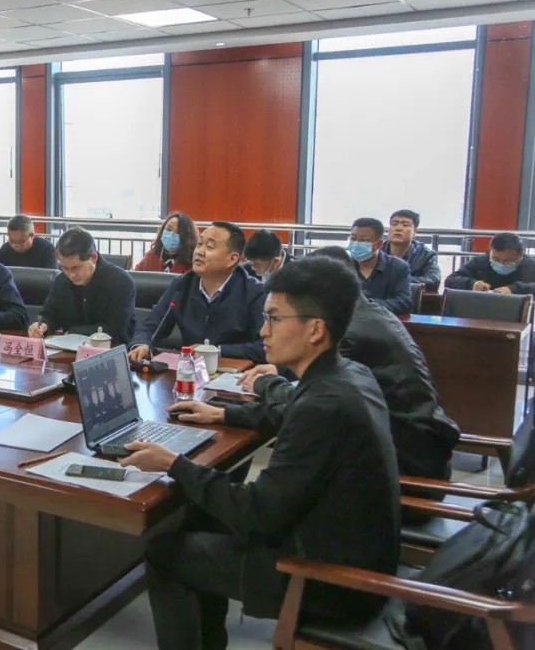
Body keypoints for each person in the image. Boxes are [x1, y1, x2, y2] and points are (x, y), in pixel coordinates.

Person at [122, 257, 400, 650]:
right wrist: (223, 413)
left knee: (164, 552)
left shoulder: (323, 405)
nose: (262, 330)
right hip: (345, 547)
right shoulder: (349, 375)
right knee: (201, 516)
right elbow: (289, 410)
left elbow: (256, 513)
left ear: (315, 329)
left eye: (273, 319)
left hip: (327, 579)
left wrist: (173, 464)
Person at [239, 246, 459, 481]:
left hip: (403, 465)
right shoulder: (370, 313)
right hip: (417, 448)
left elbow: (312, 400)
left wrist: (265, 383)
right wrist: (278, 370)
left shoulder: (350, 333)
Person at [130, 222, 267, 363]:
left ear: (232, 259)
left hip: (235, 372)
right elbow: (152, 325)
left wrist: (216, 351)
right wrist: (142, 344)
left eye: (210, 247)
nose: (200, 252)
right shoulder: (182, 285)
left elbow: (264, 347)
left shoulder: (255, 293)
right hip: (189, 371)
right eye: (199, 244)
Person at [28, 228, 137, 345]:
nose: (71, 275)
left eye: (76, 268)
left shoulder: (120, 282)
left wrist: (72, 332)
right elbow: (50, 313)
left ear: (93, 257)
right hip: (68, 348)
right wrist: (42, 324)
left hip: (109, 349)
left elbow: (116, 329)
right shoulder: (61, 280)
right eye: (65, 268)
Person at [347, 217, 412, 315]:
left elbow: (404, 302)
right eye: (353, 239)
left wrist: (368, 305)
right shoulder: (342, 265)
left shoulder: (398, 267)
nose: (356, 244)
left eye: (364, 240)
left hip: (384, 320)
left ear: (379, 244)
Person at [445, 231, 535, 295]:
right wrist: (471, 284)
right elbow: (450, 280)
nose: (502, 264)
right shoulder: (480, 262)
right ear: (490, 252)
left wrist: (515, 289)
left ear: (521, 256)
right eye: (496, 259)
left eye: (509, 261)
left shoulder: (531, 266)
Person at [382, 209, 441, 291]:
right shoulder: (377, 250)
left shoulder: (426, 255)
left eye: (405, 225)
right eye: (394, 224)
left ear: (415, 232)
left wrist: (398, 280)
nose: (398, 228)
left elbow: (433, 280)